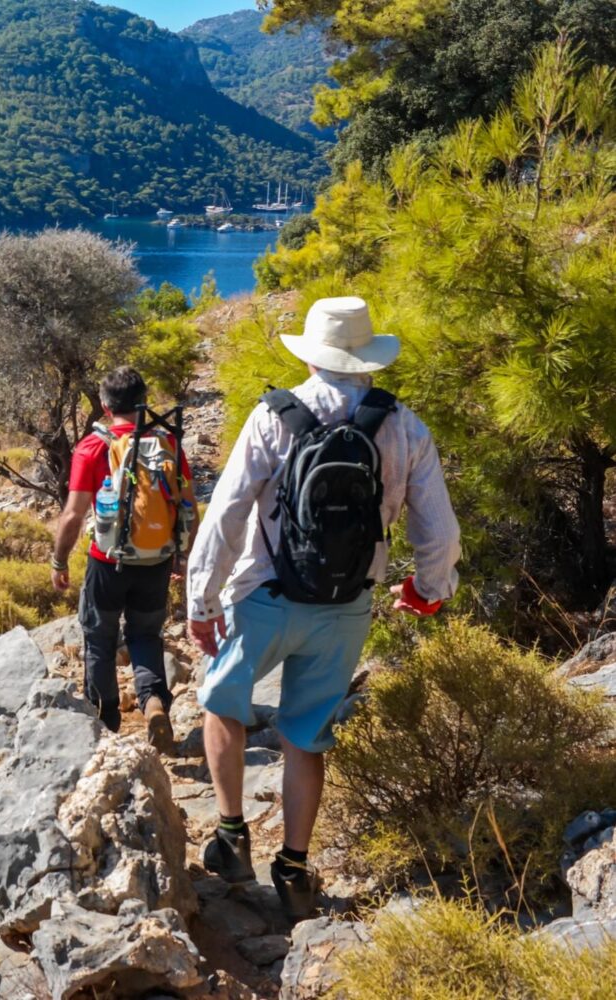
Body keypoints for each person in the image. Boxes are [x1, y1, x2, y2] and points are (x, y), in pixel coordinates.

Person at [186, 296, 460, 920]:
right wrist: (428, 590)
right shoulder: (403, 426)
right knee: (307, 736)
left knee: (222, 706)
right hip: (347, 607)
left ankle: (232, 838)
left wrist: (201, 601)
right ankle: (295, 866)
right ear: (367, 358)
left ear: (312, 353)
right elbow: (439, 532)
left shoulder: (272, 417)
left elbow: (226, 514)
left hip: (265, 598)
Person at [51, 366, 193, 749]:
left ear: (104, 404)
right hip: (156, 561)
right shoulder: (167, 442)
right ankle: (153, 705)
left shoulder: (93, 447)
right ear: (144, 402)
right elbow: (187, 504)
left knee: (99, 640)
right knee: (146, 634)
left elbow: (74, 514)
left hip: (107, 561)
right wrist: (180, 556)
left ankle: (105, 723)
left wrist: (59, 561)